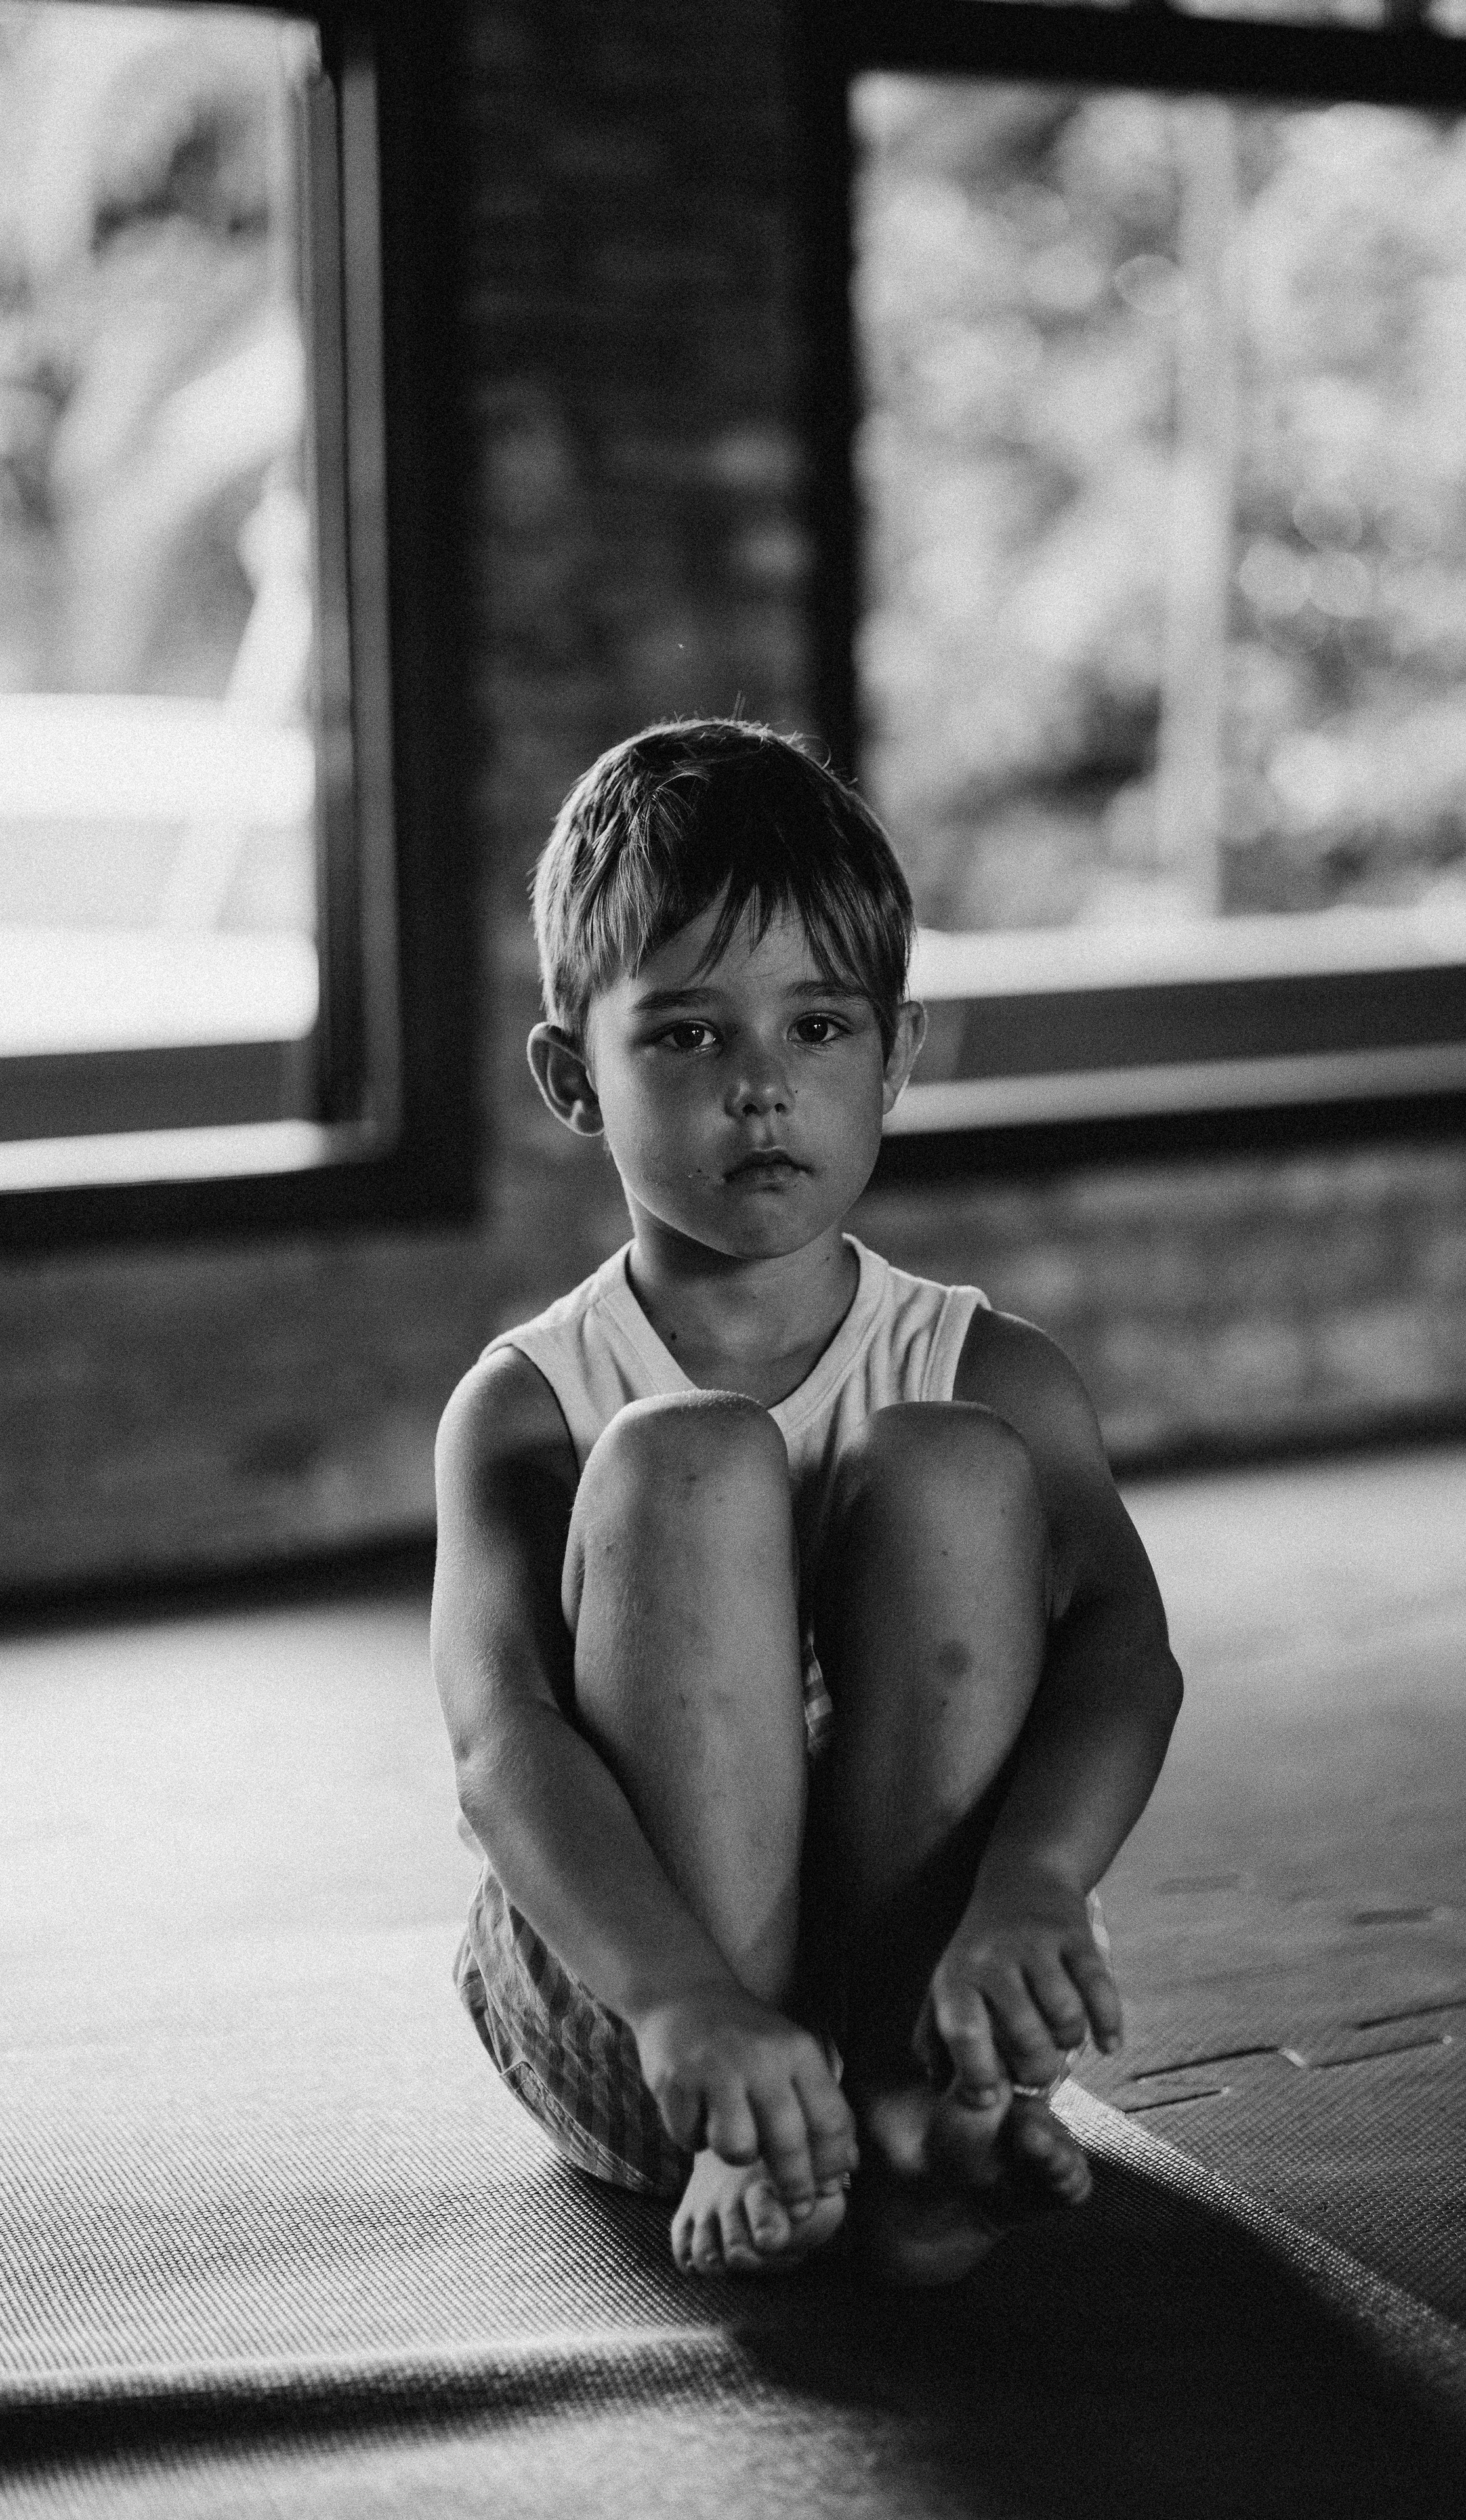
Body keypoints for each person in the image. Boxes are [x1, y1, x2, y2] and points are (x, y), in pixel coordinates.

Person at [430, 717, 1183, 2285]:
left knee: (952, 1460)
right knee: (684, 1456)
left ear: (894, 1057)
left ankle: (907, 2110)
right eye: (687, 1036)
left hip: (924, 1996)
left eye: (818, 1026)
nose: (761, 1087)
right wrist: (677, 2005)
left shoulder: (992, 1368)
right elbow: (502, 1748)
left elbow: (1124, 1647)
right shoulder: (528, 1406)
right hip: (642, 2014)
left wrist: (1037, 1887)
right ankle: (754, 2118)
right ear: (574, 1079)